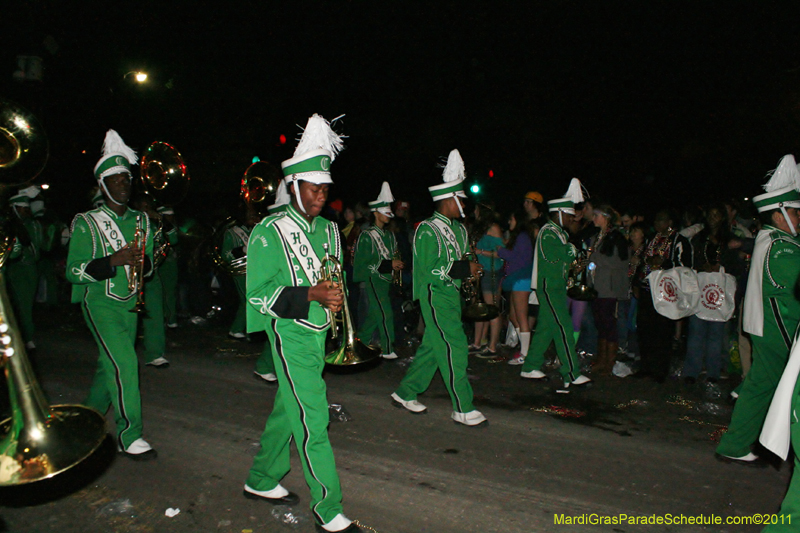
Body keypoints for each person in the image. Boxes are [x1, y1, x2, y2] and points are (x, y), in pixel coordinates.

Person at [243, 114, 362, 533]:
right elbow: (257, 295)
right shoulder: (268, 231)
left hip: (318, 333)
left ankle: (261, 478)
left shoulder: (329, 230)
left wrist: (338, 312)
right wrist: (310, 294)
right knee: (314, 417)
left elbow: (336, 278)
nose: (320, 196)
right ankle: (328, 509)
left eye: (325, 188)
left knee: (288, 407)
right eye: (313, 188)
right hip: (289, 332)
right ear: (293, 186)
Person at [66, 130, 156, 460]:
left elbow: (148, 268)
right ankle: (129, 434)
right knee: (126, 362)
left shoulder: (141, 220)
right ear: (102, 185)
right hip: (99, 302)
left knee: (111, 366)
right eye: (116, 179)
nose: (123, 184)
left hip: (130, 303)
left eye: (126, 178)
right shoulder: (86, 222)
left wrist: (144, 262)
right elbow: (72, 271)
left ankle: (83, 419)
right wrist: (111, 261)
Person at [391, 149, 487, 426]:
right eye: (461, 200)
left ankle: (405, 392)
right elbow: (429, 270)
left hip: (452, 295)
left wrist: (471, 270)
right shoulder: (427, 229)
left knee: (434, 347)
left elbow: (462, 258)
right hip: (434, 294)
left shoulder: (460, 230)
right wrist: (464, 269)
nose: (464, 205)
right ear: (449, 199)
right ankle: (462, 407)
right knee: (455, 345)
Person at [716, 155, 800, 463]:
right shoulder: (782, 246)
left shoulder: (772, 239)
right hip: (780, 328)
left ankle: (736, 445)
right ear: (779, 215)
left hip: (767, 326)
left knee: (761, 387)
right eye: (796, 212)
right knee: (782, 389)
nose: (799, 218)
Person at [519, 178, 592, 390]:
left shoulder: (559, 232)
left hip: (556, 286)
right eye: (568, 215)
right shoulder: (548, 233)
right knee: (563, 327)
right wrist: (572, 249)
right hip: (549, 287)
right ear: (558, 213)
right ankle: (571, 373)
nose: (571, 219)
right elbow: (562, 254)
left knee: (546, 329)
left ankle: (530, 366)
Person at [633, 209, 692, 383]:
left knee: (662, 331)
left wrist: (665, 263)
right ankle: (645, 367)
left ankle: (660, 370)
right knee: (644, 330)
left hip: (665, 293)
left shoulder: (678, 241)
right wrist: (636, 283)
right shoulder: (652, 239)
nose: (657, 224)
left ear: (670, 222)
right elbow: (643, 262)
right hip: (647, 289)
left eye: (661, 220)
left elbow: (685, 267)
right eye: (656, 220)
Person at [681, 204, 734, 385]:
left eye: (716, 215)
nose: (713, 218)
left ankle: (713, 372)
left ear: (722, 218)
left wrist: (721, 267)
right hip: (701, 290)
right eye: (710, 215)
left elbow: (736, 266)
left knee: (716, 334)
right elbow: (689, 261)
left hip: (719, 293)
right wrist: (701, 266)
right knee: (696, 332)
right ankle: (692, 371)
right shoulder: (699, 238)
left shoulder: (729, 239)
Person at [354, 181, 404, 359]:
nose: (388, 215)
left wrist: (396, 265)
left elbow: (393, 255)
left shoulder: (390, 235)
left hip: (387, 280)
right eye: (384, 211)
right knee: (385, 313)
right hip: (373, 279)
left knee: (375, 316)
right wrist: (388, 264)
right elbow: (361, 263)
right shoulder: (367, 236)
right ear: (376, 213)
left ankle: (359, 342)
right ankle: (387, 349)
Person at [252, 180, 291, 384]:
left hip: (290, 285)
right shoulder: (270, 228)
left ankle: (267, 366)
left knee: (283, 331)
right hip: (277, 286)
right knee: (279, 329)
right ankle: (267, 366)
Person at [131, 194, 173, 368]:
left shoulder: (155, 225)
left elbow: (173, 239)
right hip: (127, 274)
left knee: (155, 312)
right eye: (143, 206)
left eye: (149, 206)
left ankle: (155, 354)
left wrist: (163, 221)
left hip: (151, 274)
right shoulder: (129, 222)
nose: (147, 209)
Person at [587, 203, 629, 375]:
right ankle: (601, 359)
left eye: (596, 215)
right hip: (597, 285)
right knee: (600, 322)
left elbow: (619, 262)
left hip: (609, 287)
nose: (593, 218)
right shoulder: (598, 237)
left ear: (605, 217)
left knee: (608, 323)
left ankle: (609, 362)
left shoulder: (616, 237)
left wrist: (594, 257)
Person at [491, 209, 533, 364]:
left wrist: (501, 251)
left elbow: (519, 258)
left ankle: (525, 354)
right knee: (513, 317)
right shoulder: (520, 237)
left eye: (512, 219)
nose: (509, 222)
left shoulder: (523, 237)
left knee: (521, 318)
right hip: (517, 280)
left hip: (522, 280)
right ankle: (524, 349)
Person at [6, 187, 43, 350]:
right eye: (22, 208)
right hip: (10, 268)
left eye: (26, 208)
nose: (26, 211)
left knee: (25, 305)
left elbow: (40, 247)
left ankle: (26, 337)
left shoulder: (32, 225)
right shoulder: (8, 224)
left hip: (26, 269)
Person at [470, 203, 504, 357]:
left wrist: (480, 251)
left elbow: (501, 253)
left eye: (476, 209)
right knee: (479, 308)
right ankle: (477, 343)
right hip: (480, 271)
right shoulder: (480, 228)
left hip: (492, 271)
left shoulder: (493, 228)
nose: (474, 212)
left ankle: (492, 347)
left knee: (492, 309)